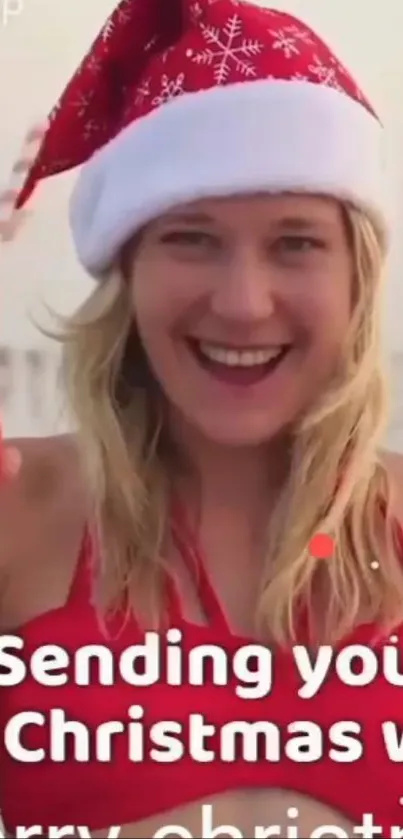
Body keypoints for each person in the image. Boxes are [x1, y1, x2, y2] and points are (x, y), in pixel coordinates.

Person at [0, 0, 402, 836]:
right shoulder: (17, 510)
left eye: (295, 242)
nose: (243, 303)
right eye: (191, 238)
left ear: (357, 278)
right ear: (128, 271)